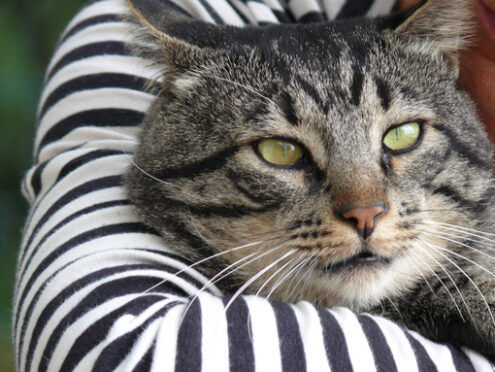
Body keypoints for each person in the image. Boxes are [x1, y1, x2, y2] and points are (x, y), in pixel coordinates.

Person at [13, 0, 494, 371]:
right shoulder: (200, 14)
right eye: (282, 149)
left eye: (401, 136)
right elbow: (115, 350)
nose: (363, 206)